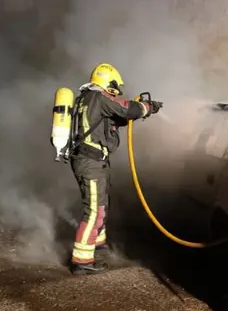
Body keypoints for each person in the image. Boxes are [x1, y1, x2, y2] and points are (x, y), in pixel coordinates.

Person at [67, 62, 162, 275]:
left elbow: (113, 119)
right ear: (107, 83)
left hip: (93, 161)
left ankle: (97, 243)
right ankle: (82, 260)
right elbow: (128, 109)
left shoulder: (87, 99)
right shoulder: (99, 97)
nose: (116, 92)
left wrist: (140, 113)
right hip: (90, 162)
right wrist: (149, 107)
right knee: (93, 210)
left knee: (101, 204)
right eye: (114, 87)